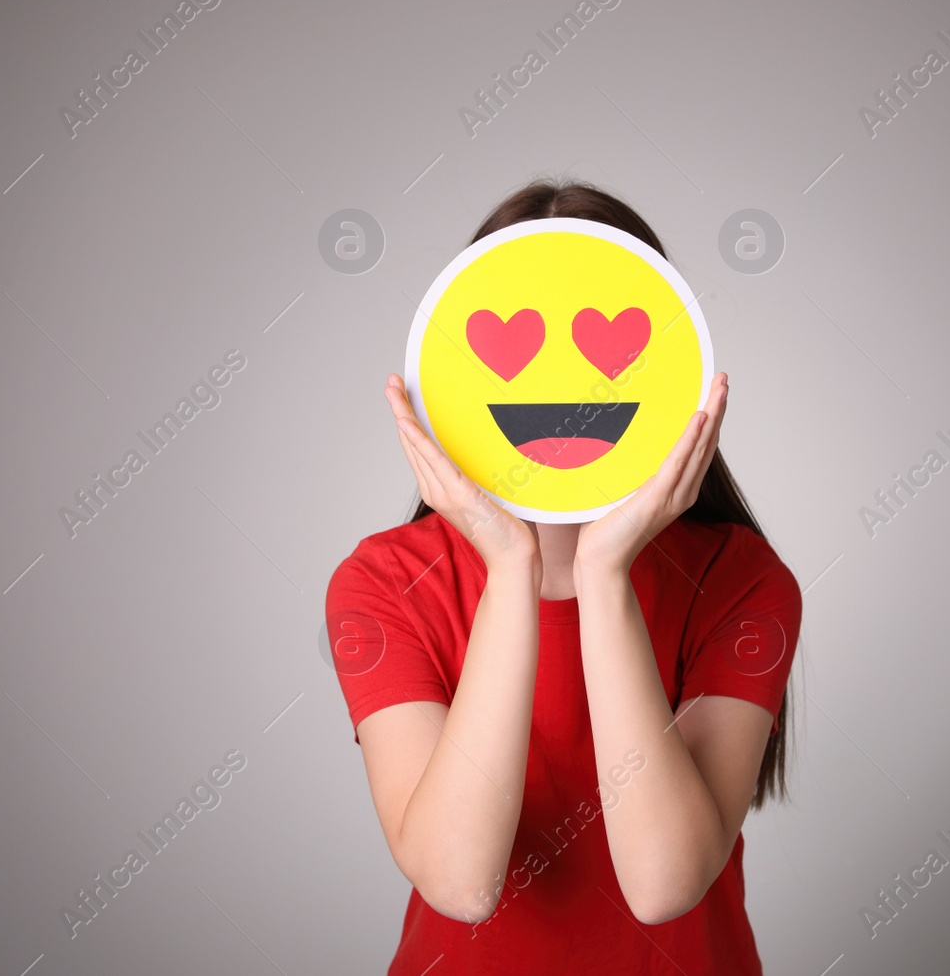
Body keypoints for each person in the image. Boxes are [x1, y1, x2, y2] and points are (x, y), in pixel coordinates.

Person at [326, 179, 802, 974]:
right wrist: (510, 564)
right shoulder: (382, 583)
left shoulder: (739, 579)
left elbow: (663, 883)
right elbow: (460, 880)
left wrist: (604, 572)